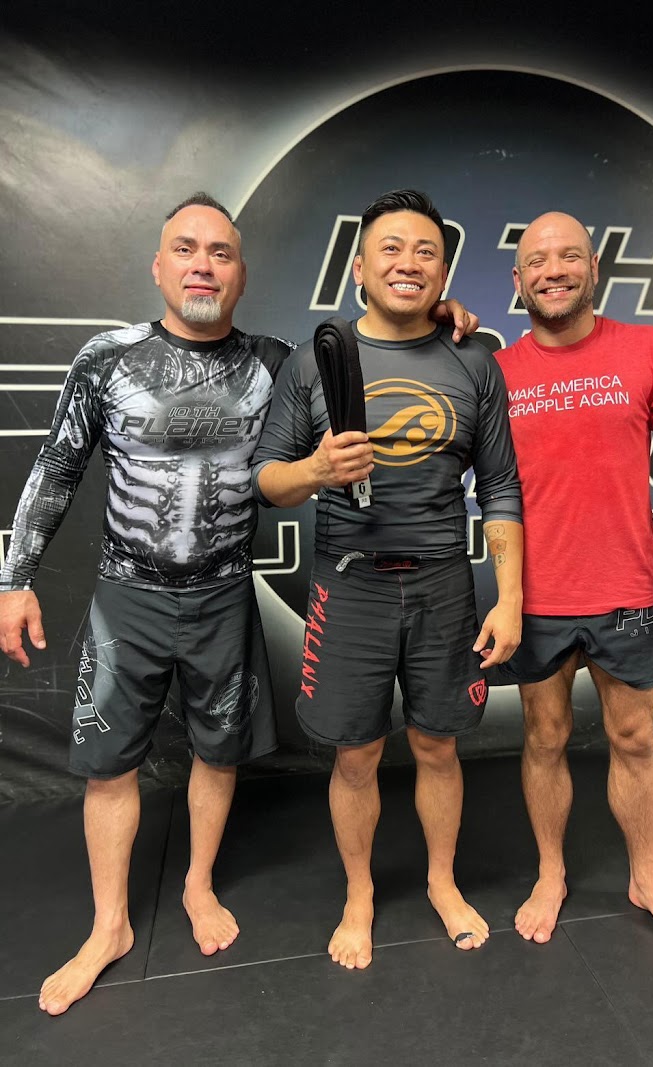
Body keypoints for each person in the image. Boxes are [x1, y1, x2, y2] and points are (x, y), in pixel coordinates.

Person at [0, 191, 480, 1015]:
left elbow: (364, 353)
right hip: (127, 596)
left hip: (223, 593)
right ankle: (109, 925)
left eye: (220, 253)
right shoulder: (107, 358)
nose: (203, 265)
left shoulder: (276, 361)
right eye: (186, 249)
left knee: (216, 753)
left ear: (242, 275)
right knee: (108, 766)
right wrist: (14, 580)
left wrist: (438, 311)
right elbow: (56, 465)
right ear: (158, 265)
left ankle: (196, 883)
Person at [252, 189, 523, 970]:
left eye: (426, 251)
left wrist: (510, 597)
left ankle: (441, 881)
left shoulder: (474, 361)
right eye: (391, 249)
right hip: (350, 588)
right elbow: (267, 479)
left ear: (444, 271)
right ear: (360, 266)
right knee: (355, 756)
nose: (409, 263)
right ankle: (360, 894)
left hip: (444, 586)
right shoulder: (318, 358)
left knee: (438, 746)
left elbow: (501, 489)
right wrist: (315, 468)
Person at [495, 211, 653, 956]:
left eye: (570, 256)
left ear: (593, 268)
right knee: (544, 737)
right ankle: (551, 873)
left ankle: (647, 878)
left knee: (634, 738)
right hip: (536, 597)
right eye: (539, 261)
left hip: (625, 590)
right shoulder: (495, 371)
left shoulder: (647, 350)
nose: (554, 270)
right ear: (518, 280)